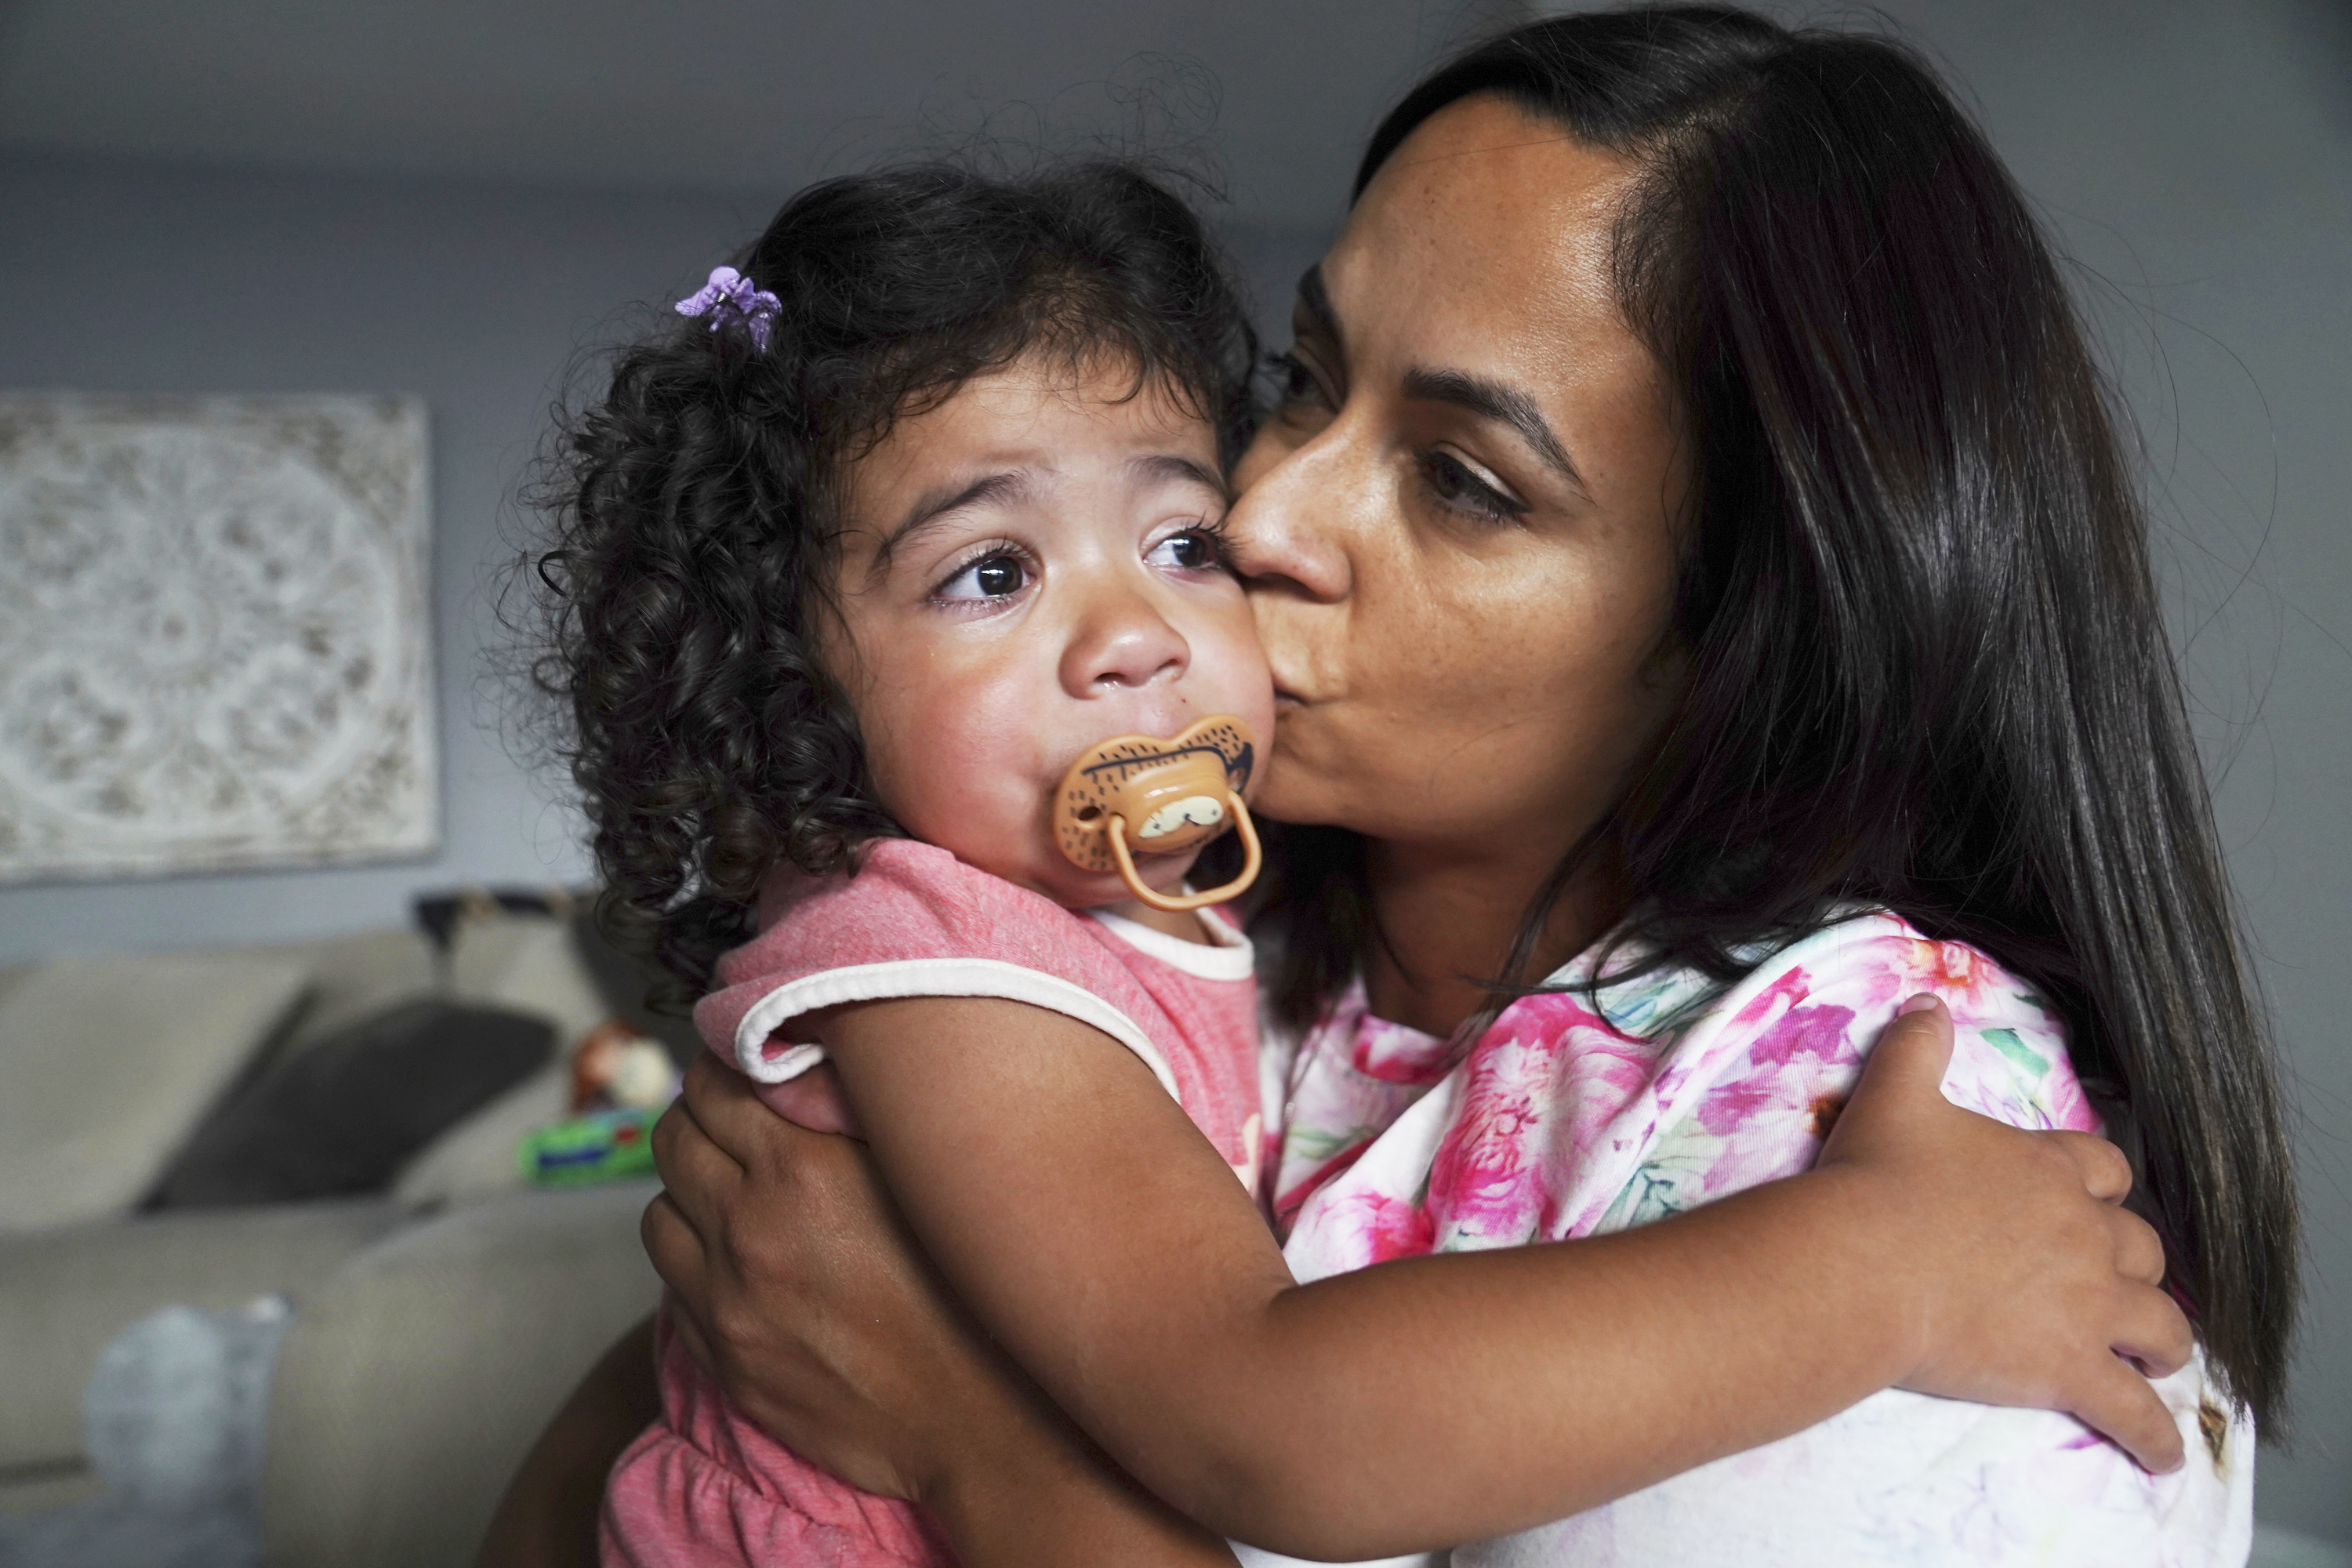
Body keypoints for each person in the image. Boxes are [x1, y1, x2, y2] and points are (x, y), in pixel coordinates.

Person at [485, 6, 2297, 1565]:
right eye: (1302, 377)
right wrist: (1878, 1265)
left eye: (1464, 481)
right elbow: (686, 1389)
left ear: (1750, 628)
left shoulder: (1873, 1102)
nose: (1254, 521)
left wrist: (974, 1441)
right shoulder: (1077, 943)